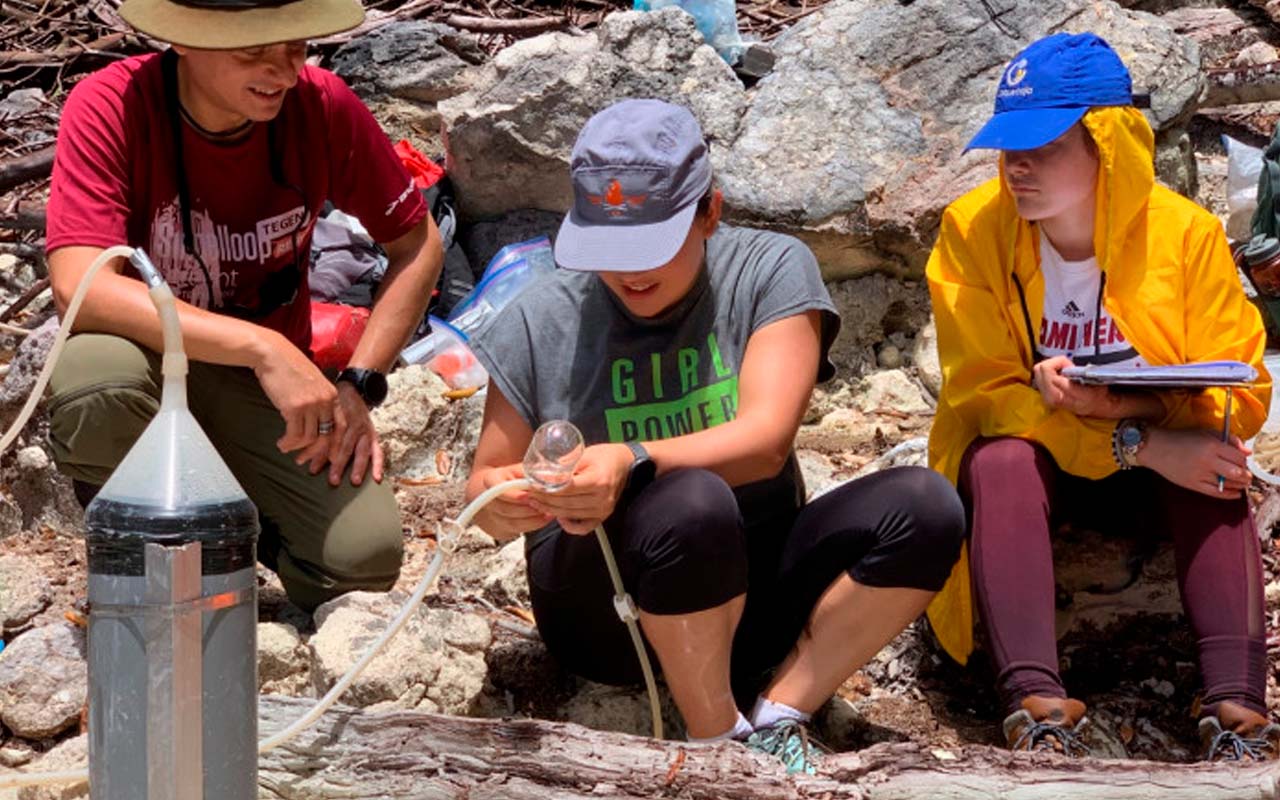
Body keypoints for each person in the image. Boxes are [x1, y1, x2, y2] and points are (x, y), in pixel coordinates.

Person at [465, 98, 966, 773]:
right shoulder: (539, 318)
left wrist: (632, 459)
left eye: (651, 244)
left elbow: (765, 443)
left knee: (927, 507)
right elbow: (486, 488)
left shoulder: (768, 271)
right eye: (609, 248)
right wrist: (506, 502)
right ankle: (718, 747)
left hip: (756, 592)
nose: (629, 272)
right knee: (689, 499)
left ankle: (779, 713)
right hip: (609, 616)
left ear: (710, 212)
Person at [924, 32, 1277, 761]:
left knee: (1215, 461)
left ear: (1107, 143)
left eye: (1044, 146)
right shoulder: (972, 232)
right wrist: (1128, 438)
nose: (1017, 166)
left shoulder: (1184, 234)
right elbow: (980, 392)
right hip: (1038, 480)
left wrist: (1129, 417)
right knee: (999, 459)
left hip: (1154, 475)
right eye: (1008, 146)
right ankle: (1036, 708)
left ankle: (1238, 716)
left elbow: (1243, 387)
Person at [43, 0, 443, 611]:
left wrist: (360, 384)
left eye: (293, 46)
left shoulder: (322, 104)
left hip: (263, 392)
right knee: (97, 379)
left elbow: (417, 244)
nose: (281, 71)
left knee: (362, 558)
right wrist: (263, 347)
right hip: (155, 358)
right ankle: (147, 551)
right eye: (252, 51)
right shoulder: (112, 105)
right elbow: (81, 285)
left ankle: (235, 530)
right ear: (184, 43)